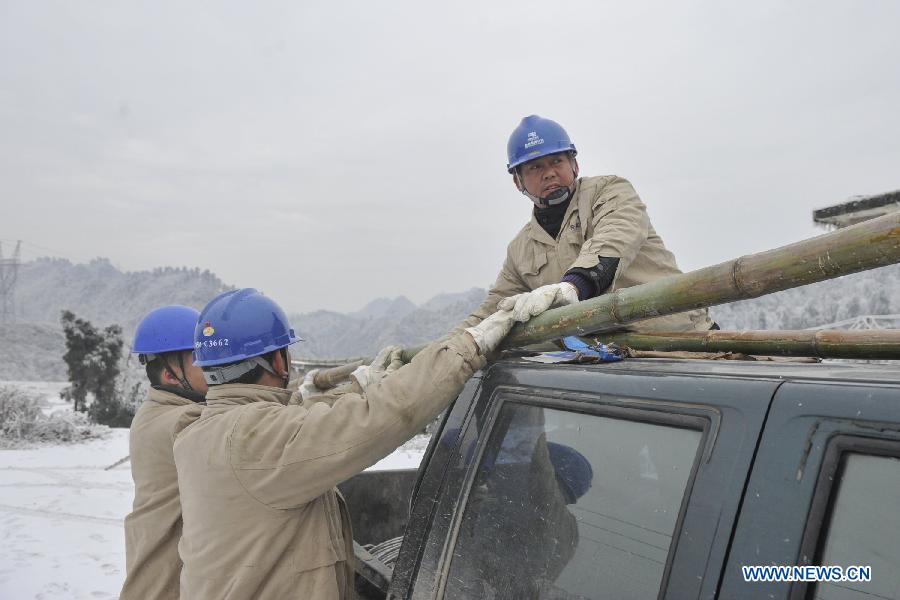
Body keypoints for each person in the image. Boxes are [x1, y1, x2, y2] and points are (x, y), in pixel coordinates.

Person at [173, 287, 537, 599]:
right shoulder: (255, 441)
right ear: (277, 361)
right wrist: (467, 348)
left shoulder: (202, 434)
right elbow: (381, 415)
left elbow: (298, 423)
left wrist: (361, 386)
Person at [451, 114, 713, 335]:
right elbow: (492, 310)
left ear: (574, 164)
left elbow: (614, 237)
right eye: (535, 167)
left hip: (685, 344)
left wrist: (572, 286)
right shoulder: (520, 250)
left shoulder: (610, 192)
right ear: (518, 181)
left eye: (557, 161)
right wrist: (453, 344)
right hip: (606, 361)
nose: (550, 172)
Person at [120, 305, 208, 600]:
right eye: (201, 358)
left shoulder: (155, 410)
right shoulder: (183, 421)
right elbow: (241, 422)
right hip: (166, 583)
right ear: (171, 375)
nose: (214, 366)